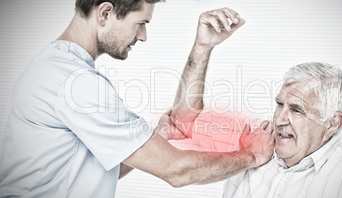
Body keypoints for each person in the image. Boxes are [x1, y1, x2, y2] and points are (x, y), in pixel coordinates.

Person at [0, 1, 275, 197]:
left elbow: (99, 170)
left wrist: (202, 47)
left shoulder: (57, 68)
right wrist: (252, 154)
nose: (143, 36)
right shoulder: (75, 82)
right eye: (140, 23)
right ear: (106, 12)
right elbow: (176, 170)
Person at [168, 62, 342, 197]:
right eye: (280, 104)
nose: (279, 119)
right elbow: (183, 123)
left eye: (297, 110)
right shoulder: (252, 147)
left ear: (333, 123)